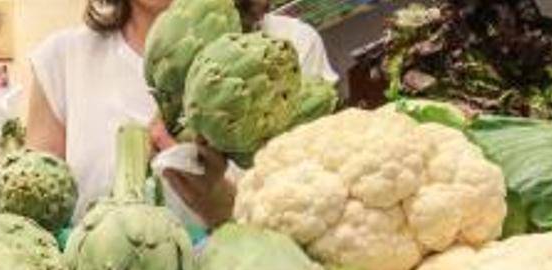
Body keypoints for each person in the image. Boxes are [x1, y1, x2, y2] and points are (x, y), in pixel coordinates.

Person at [26, 0, 334, 230]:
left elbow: (326, 224)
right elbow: (36, 224)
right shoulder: (61, 61)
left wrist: (226, 208)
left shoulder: (290, 52)